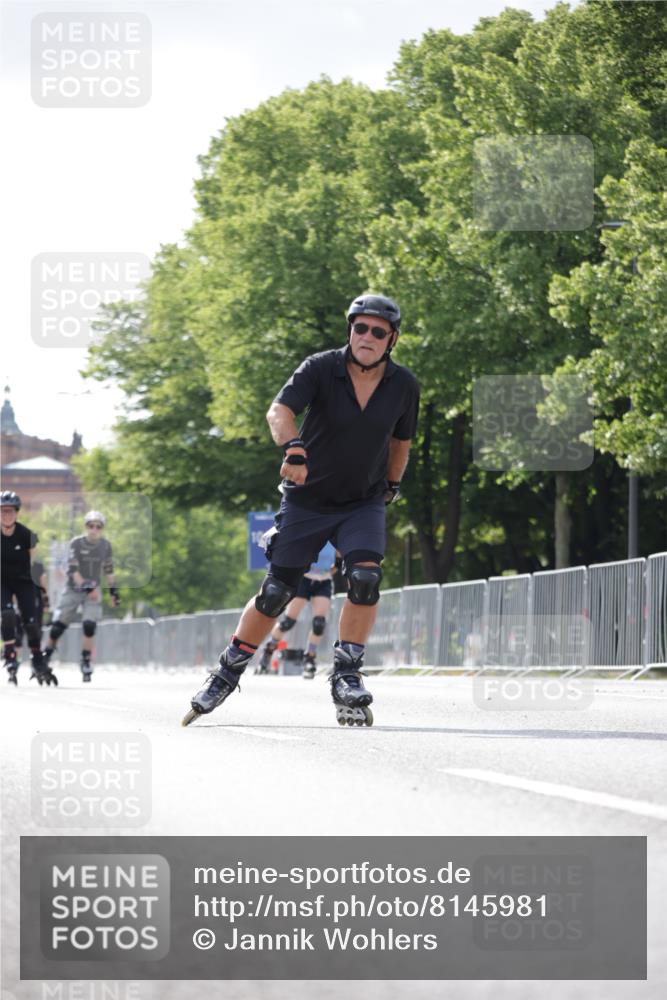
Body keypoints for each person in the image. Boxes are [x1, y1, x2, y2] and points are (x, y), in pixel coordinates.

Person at [183, 292, 419, 727]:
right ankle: (226, 672)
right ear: (350, 330)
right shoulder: (320, 367)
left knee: (365, 578)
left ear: (392, 339)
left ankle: (346, 674)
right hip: (308, 498)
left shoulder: (404, 385)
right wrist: (293, 447)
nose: (366, 336)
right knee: (277, 593)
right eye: (359, 327)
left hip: (362, 501)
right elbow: (280, 410)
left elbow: (401, 440)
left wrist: (391, 485)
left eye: (377, 331)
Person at [43, 510, 120, 681]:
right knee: (57, 627)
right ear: (86, 527)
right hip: (73, 588)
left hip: (93, 590)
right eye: (91, 525)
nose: (94, 529)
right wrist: (86, 586)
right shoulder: (76, 543)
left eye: (98, 526)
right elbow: (72, 570)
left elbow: (108, 569)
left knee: (89, 626)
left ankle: (85, 661)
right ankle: (45, 656)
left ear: (102, 529)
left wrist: (113, 591)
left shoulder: (105, 546)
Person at [257, 541, 337, 678]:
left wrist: (328, 572)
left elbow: (340, 560)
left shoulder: (333, 534)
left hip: (324, 581)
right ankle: (269, 650)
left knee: (319, 624)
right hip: (303, 579)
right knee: (288, 622)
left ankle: (310, 658)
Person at [1, 491, 56, 686]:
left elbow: (36, 565)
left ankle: (37, 659)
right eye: (3, 511)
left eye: (10, 511)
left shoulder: (26, 535)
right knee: (6, 614)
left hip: (25, 582)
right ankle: (9, 655)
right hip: (3, 582)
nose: (6, 515)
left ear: (17, 513)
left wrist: (45, 594)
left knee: (31, 623)